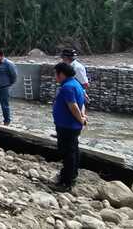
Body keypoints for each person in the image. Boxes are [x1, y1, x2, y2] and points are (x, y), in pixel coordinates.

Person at [51, 62, 87, 192]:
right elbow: (82, 103)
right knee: (73, 150)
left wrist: (81, 119)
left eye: (56, 74)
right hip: (71, 125)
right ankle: (71, 175)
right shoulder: (76, 84)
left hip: (67, 126)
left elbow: (73, 106)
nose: (55, 77)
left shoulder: (68, 87)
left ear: (61, 74)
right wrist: (82, 117)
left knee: (67, 152)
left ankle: (66, 181)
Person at [0, 49, 17, 125]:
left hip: (3, 88)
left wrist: (8, 84)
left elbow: (14, 76)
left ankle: (6, 121)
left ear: (2, 56)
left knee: (4, 105)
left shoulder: (9, 64)